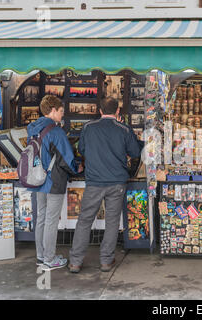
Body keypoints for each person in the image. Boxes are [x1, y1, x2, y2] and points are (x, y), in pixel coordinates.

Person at [69, 98, 144, 273]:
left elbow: (82, 150)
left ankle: (75, 262)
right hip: (117, 182)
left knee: (84, 220)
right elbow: (134, 152)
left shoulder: (88, 127)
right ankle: (106, 260)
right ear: (118, 111)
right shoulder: (124, 129)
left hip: (94, 182)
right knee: (112, 222)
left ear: (100, 111)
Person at [27, 95, 82, 271]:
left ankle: (41, 256)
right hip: (53, 181)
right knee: (51, 220)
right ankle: (50, 259)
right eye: (61, 111)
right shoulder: (56, 132)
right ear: (53, 110)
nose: (62, 115)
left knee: (41, 218)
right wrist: (78, 168)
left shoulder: (32, 129)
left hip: (38, 179)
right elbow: (67, 159)